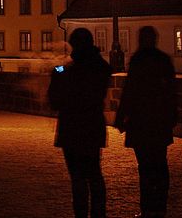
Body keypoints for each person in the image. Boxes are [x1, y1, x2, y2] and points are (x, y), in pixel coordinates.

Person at [48, 27, 112, 218]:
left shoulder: (68, 69)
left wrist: (57, 70)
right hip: (92, 126)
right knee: (94, 174)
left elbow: (55, 99)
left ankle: (81, 214)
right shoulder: (99, 67)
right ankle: (99, 213)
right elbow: (104, 70)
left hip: (72, 127)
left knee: (78, 177)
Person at [114, 26, 178, 218]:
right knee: (160, 164)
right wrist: (172, 116)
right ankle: (160, 206)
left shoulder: (138, 60)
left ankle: (148, 207)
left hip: (141, 121)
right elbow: (171, 92)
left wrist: (121, 117)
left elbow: (129, 91)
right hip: (159, 121)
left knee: (145, 167)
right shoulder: (163, 60)